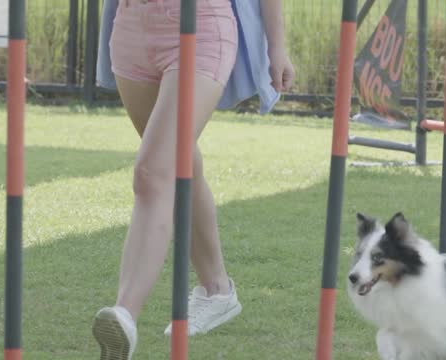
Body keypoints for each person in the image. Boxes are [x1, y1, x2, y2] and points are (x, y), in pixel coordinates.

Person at [92, 0, 294, 358]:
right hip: (131, 29)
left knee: (153, 172)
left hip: (201, 26)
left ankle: (124, 316)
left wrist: (277, 46)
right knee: (179, 160)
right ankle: (217, 290)